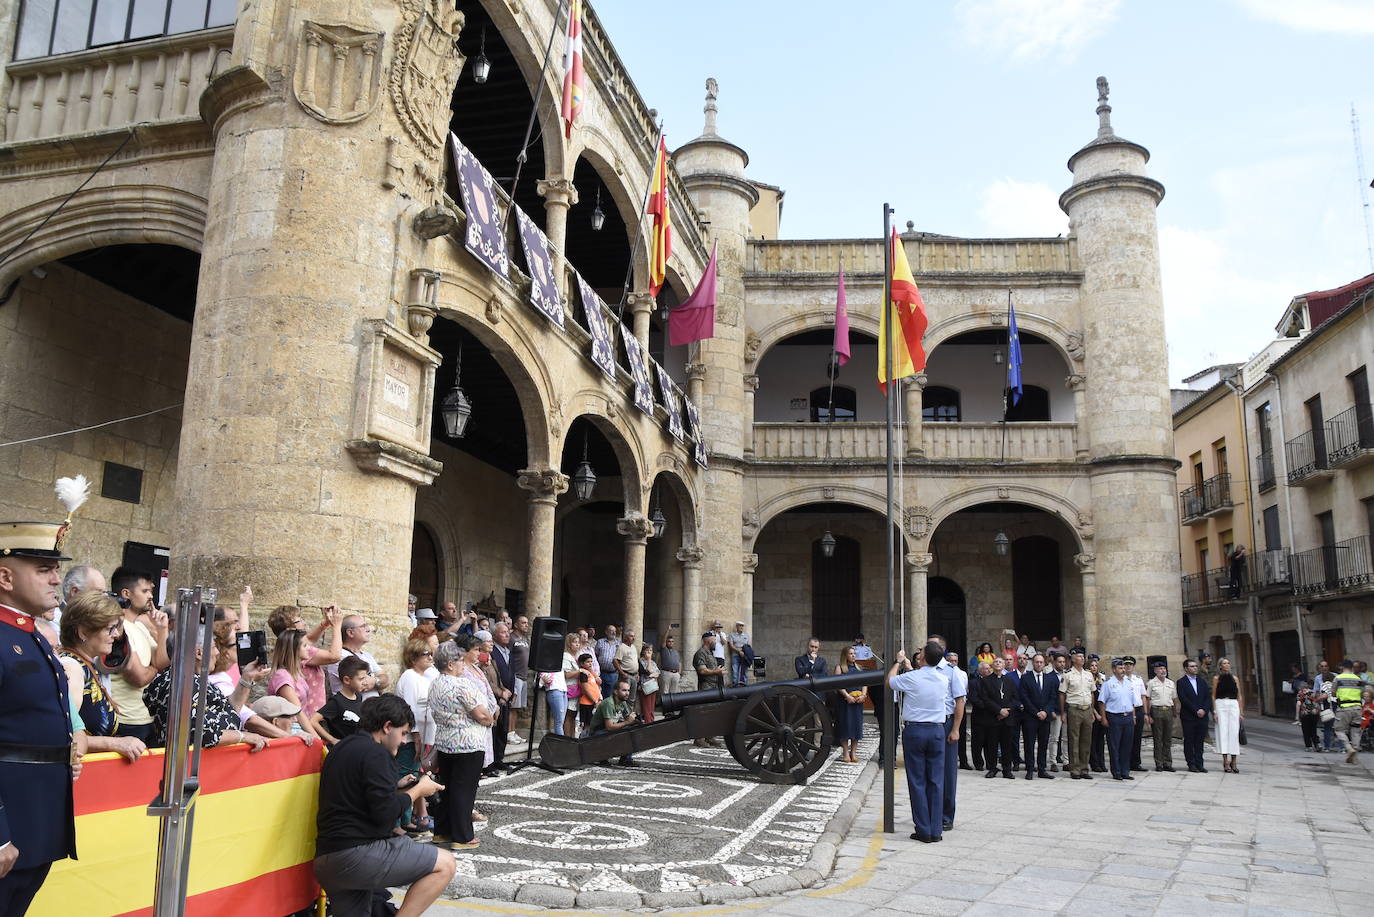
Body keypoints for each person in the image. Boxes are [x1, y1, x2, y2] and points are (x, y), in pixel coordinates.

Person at [0, 517, 83, 915]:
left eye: (56, 569)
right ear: (5, 577)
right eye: (44, 569)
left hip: (35, 823)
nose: (56, 579)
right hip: (9, 827)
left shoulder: (31, 635)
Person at [312, 694, 456, 916]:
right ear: (388, 726)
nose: (402, 741)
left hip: (327, 861)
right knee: (446, 864)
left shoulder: (340, 749)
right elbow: (385, 814)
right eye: (403, 733)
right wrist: (418, 791)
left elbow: (357, 799)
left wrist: (397, 789)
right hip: (358, 856)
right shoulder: (377, 753)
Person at [141, 622, 271, 753]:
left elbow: (227, 712)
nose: (217, 652)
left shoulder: (190, 678)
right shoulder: (185, 683)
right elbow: (203, 734)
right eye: (214, 647)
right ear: (199, 652)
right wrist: (243, 736)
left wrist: (247, 678)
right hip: (190, 768)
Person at [56, 591, 147, 761]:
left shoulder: (85, 664)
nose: (116, 634)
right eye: (109, 628)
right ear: (83, 632)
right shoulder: (73, 667)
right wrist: (114, 744)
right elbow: (63, 732)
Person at [428, 637, 494, 849]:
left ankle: (443, 831)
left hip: (445, 742)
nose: (462, 664)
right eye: (459, 661)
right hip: (467, 743)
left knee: (449, 788)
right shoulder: (461, 685)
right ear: (450, 664)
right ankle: (462, 836)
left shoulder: (435, 683)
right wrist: (489, 719)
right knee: (463, 791)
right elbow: (481, 715)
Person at [888, 643, 950, 844]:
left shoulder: (912, 677)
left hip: (915, 731)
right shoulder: (943, 679)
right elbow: (922, 678)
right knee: (936, 781)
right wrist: (912, 667)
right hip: (936, 730)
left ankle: (923, 829)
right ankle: (935, 829)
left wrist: (898, 663)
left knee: (917, 781)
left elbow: (890, 682)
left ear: (922, 658)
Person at [107, 566, 170, 743]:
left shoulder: (139, 627)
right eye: (145, 590)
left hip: (145, 718)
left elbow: (161, 662)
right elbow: (139, 677)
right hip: (126, 721)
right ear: (126, 593)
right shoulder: (119, 629)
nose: (150, 596)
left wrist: (162, 628)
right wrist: (154, 669)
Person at [267, 604, 344, 719]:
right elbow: (334, 656)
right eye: (299, 621)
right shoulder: (300, 651)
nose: (304, 623)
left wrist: (326, 623)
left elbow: (310, 638)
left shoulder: (288, 648)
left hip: (308, 715)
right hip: (307, 716)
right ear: (290, 630)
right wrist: (337, 626)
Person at [395, 638, 437, 835]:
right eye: (425, 654)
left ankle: (406, 817)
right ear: (413, 658)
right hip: (412, 738)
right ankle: (398, 821)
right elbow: (411, 709)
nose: (430, 657)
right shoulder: (410, 677)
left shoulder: (423, 676)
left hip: (423, 735)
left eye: (430, 653)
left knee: (413, 776)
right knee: (405, 775)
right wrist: (417, 737)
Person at [927, 634, 965, 832]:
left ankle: (946, 815)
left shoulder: (952, 672)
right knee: (929, 771)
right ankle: (930, 812)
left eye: (931, 645)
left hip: (946, 724)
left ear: (941, 649)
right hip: (927, 724)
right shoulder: (924, 670)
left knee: (947, 772)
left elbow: (959, 701)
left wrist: (956, 729)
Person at [268, 629, 329, 740]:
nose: (309, 649)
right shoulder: (282, 676)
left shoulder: (295, 673)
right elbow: (297, 711)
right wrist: (317, 738)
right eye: (304, 645)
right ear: (294, 649)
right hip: (291, 729)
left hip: (300, 727)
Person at [312, 655, 373, 744]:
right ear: (347, 680)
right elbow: (313, 721)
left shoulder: (359, 696)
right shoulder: (336, 702)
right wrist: (332, 740)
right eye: (361, 679)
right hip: (344, 749)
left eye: (366, 677)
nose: (365, 682)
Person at [325, 614, 389, 698]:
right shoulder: (340, 656)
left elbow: (386, 680)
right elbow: (359, 685)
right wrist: (377, 682)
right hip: (353, 710)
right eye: (363, 626)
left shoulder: (366, 655)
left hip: (371, 708)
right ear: (350, 633)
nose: (368, 629)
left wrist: (373, 681)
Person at [1096, 658, 1137, 781]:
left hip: (1128, 716)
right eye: (1120, 668)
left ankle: (1125, 771)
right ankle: (1117, 771)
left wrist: (1133, 716)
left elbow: (1132, 702)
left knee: (1127, 745)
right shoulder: (1108, 684)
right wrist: (1103, 718)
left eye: (1123, 668)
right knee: (1114, 746)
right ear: (1114, 669)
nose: (1123, 670)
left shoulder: (1129, 682)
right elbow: (1102, 702)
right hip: (1114, 717)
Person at [1018, 653, 1058, 779]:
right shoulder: (1026, 678)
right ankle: (1030, 769)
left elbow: (1053, 698)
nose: (1039, 664)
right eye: (1036, 662)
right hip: (1030, 716)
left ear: (1044, 663)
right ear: (1032, 663)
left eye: (1041, 662)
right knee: (1029, 744)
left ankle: (1042, 769)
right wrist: (1036, 712)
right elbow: (1024, 697)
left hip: (1045, 717)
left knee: (1043, 744)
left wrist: (1046, 711)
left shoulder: (1050, 679)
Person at [1058, 649, 1096, 780]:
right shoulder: (1067, 675)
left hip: (1087, 709)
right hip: (1074, 709)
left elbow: (1092, 693)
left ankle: (1084, 768)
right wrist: (1063, 713)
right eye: (1079, 656)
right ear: (1073, 659)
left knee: (1086, 740)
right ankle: (1075, 769)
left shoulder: (1089, 675)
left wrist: (1092, 710)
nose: (1082, 658)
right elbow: (1062, 694)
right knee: (1074, 740)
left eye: (1082, 656)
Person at [978, 657, 1017, 779]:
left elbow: (1015, 698)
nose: (998, 663)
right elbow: (985, 698)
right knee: (991, 745)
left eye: (1000, 662)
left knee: (1007, 745)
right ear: (992, 665)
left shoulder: (1010, 680)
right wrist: (998, 710)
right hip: (992, 717)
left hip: (1007, 718)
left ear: (1004, 665)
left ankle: (1007, 770)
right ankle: (992, 768)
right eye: (996, 662)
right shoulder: (986, 680)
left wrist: (1006, 711)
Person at [486, 622, 516, 770]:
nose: (507, 634)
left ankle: (499, 759)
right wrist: (501, 693)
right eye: (503, 632)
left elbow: (512, 672)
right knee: (495, 730)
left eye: (507, 632)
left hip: (507, 693)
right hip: (495, 696)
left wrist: (512, 691)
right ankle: (491, 762)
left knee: (504, 729)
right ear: (494, 635)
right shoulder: (492, 652)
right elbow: (491, 678)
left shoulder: (509, 650)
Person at [590, 678, 639, 766]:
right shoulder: (609, 703)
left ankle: (625, 759)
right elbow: (609, 727)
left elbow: (628, 718)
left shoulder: (622, 701)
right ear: (616, 692)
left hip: (607, 730)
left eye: (628, 690)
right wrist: (628, 722)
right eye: (624, 690)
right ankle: (602, 757)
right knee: (625, 730)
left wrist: (636, 720)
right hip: (597, 733)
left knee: (632, 729)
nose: (627, 693)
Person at [1177, 657, 1212, 773]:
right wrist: (1196, 710)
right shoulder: (1181, 682)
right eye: (1192, 666)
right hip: (1189, 716)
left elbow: (1207, 697)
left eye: (1196, 666)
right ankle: (1191, 763)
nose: (1195, 668)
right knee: (1189, 740)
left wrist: (1204, 710)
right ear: (1186, 669)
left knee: (1200, 741)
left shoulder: (1202, 682)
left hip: (1202, 716)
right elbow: (1184, 699)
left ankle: (1199, 763)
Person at [834, 646, 867, 763]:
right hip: (845, 701)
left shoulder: (859, 668)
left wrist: (863, 695)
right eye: (851, 653)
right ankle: (845, 752)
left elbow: (864, 683)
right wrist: (847, 696)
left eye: (854, 653)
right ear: (845, 655)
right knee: (845, 725)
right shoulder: (840, 668)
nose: (853, 655)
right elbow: (838, 684)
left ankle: (853, 752)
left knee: (856, 726)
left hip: (857, 701)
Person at [1328, 659, 1365, 764]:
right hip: (1357, 708)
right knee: (1355, 731)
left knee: (1339, 730)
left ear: (1342, 667)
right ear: (1352, 667)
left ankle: (1349, 748)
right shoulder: (1358, 678)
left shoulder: (1338, 678)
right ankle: (1354, 757)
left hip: (1344, 707)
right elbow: (1362, 694)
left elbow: (1333, 693)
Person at [692, 633, 725, 747]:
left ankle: (709, 737)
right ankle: (699, 738)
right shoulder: (701, 653)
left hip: (714, 686)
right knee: (703, 712)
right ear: (708, 641)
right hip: (706, 686)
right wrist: (716, 672)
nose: (715, 643)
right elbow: (702, 671)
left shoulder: (710, 653)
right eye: (714, 640)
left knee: (712, 712)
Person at [1144, 660, 1177, 772]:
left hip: (1167, 710)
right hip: (1156, 710)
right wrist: (1148, 714)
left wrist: (1174, 712)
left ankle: (1168, 762)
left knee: (1167, 739)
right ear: (1155, 671)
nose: (1163, 671)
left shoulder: (1170, 683)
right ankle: (1159, 763)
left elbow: (1173, 698)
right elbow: (1148, 699)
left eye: (1164, 669)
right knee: (1158, 739)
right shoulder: (1151, 683)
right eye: (1160, 669)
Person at [1212, 657, 1244, 773]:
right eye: (1224, 663)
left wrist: (1241, 711)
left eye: (1228, 663)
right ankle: (1225, 761)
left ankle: (1234, 761)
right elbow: (1214, 695)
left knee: (1234, 733)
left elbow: (1239, 695)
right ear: (1220, 666)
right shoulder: (1216, 678)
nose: (1227, 665)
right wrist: (1215, 711)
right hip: (1221, 704)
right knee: (1223, 732)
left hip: (1233, 704)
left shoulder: (1235, 678)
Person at [1124, 656, 1148, 773]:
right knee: (1127, 738)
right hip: (1127, 710)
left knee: (1137, 737)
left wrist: (1145, 712)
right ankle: (1126, 762)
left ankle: (1136, 762)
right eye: (1126, 664)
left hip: (1138, 710)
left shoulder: (1138, 679)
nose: (1128, 666)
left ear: (1133, 666)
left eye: (1130, 665)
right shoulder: (1121, 679)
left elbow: (1143, 696)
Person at [1047, 652, 1069, 770]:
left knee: (1066, 738)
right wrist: (1051, 711)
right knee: (1054, 737)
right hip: (1055, 711)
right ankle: (1053, 761)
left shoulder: (1068, 675)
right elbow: (1048, 695)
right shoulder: (1049, 677)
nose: (1062, 664)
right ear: (1054, 662)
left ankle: (1066, 761)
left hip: (1067, 711)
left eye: (1063, 662)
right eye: (1059, 662)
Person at [576, 652, 602, 736]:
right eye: (588, 662)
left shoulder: (590, 673)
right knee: (587, 725)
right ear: (582, 663)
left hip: (594, 702)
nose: (590, 663)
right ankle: (584, 739)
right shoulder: (583, 674)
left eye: (591, 661)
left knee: (592, 723)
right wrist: (594, 701)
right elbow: (586, 690)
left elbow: (598, 682)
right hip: (587, 703)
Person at [1295, 679, 1324, 752]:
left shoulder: (1300, 693)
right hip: (1314, 714)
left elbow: (1298, 704)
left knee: (1306, 731)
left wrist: (1297, 716)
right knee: (1313, 730)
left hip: (1305, 714)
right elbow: (1318, 702)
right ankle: (1317, 744)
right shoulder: (1313, 693)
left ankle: (1309, 746)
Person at [637, 642, 660, 723]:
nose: (649, 652)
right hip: (645, 687)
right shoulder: (641, 661)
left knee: (652, 706)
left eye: (651, 650)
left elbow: (657, 673)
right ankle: (648, 722)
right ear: (643, 651)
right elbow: (648, 671)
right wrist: (649, 660)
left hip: (653, 686)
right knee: (646, 707)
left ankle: (652, 720)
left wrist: (652, 675)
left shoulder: (653, 662)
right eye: (647, 650)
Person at [594, 625, 621, 693]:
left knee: (611, 694)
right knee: (600, 692)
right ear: (606, 632)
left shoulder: (619, 643)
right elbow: (595, 656)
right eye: (611, 631)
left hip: (613, 673)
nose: (614, 633)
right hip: (601, 672)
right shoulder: (600, 642)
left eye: (615, 631)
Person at [614, 629, 640, 699]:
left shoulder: (633, 647)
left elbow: (635, 661)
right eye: (631, 636)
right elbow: (615, 661)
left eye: (634, 636)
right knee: (624, 696)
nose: (633, 638)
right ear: (626, 637)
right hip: (626, 675)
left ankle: (630, 710)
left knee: (632, 698)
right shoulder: (622, 647)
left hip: (634, 676)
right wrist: (622, 673)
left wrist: (637, 673)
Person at [727, 621, 752, 686]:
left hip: (744, 656)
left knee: (745, 672)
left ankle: (745, 686)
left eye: (742, 626)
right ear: (737, 626)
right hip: (735, 655)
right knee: (735, 672)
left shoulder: (746, 635)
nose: (741, 627)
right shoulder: (732, 635)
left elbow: (748, 645)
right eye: (740, 626)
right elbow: (731, 646)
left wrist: (742, 651)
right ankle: (735, 686)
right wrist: (739, 651)